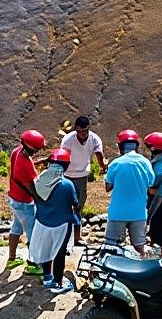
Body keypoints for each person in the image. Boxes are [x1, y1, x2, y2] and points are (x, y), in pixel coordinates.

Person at [30, 148, 82, 292]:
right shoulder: (67, 184)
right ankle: (58, 282)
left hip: (41, 222)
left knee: (45, 249)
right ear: (66, 165)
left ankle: (47, 278)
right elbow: (75, 204)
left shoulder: (40, 180)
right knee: (59, 253)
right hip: (61, 225)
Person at [103, 129, 154, 257]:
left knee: (111, 247)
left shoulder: (115, 163)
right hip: (139, 213)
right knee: (139, 248)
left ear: (121, 146)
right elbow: (151, 184)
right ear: (136, 146)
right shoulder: (145, 163)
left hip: (118, 212)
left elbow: (108, 187)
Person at [60, 116, 106, 247]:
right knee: (65, 206)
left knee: (78, 207)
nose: (84, 133)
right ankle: (64, 237)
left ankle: (77, 237)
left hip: (82, 176)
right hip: (67, 175)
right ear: (76, 129)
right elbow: (63, 158)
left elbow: (99, 155)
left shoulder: (94, 138)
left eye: (86, 130)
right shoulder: (67, 140)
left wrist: (103, 166)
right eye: (81, 131)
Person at [6, 129, 46, 274]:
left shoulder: (17, 151)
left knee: (16, 228)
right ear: (31, 148)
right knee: (32, 233)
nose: (37, 152)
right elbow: (33, 190)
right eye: (37, 149)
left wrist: (42, 161)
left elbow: (29, 161)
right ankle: (33, 264)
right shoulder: (25, 166)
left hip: (14, 198)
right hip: (24, 203)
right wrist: (42, 202)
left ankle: (11, 259)